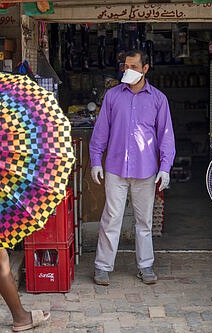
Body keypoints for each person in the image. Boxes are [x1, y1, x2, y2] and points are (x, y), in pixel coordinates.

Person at [89, 49, 175, 286]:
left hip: (146, 170)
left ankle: (145, 266)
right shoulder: (113, 96)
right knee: (111, 217)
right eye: (125, 66)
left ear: (145, 69)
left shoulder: (158, 99)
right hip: (115, 167)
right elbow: (101, 131)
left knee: (144, 221)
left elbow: (165, 135)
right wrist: (96, 160)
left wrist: (165, 167)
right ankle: (103, 267)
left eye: (134, 67)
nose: (128, 71)